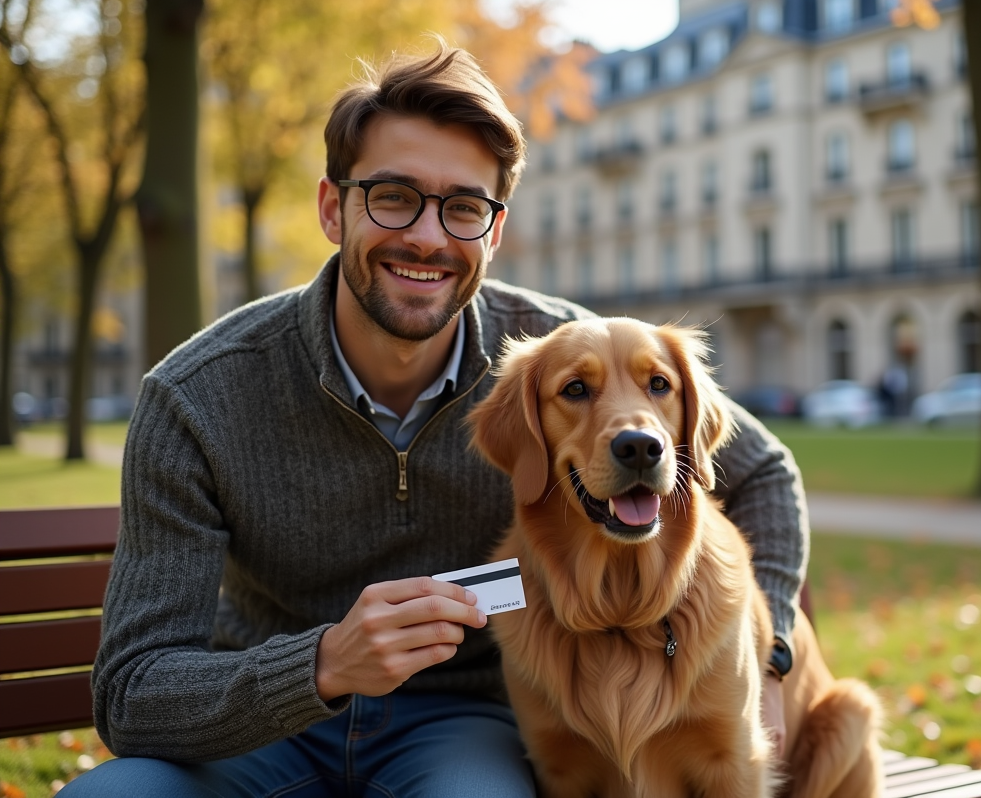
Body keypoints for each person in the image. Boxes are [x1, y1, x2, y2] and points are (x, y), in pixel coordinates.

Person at [64, 41, 809, 797]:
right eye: (392, 196)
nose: (427, 237)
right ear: (333, 207)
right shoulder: (195, 398)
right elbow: (133, 692)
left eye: (462, 208)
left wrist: (771, 654)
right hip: (259, 732)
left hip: (461, 729)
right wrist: (321, 664)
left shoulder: (565, 357)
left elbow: (767, 473)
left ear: (493, 232)